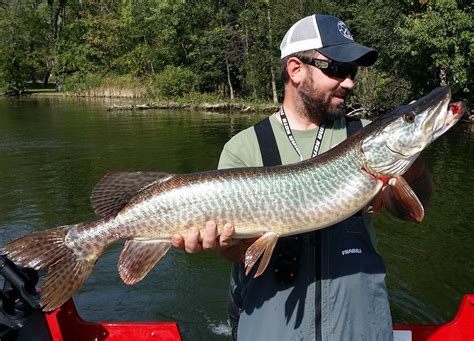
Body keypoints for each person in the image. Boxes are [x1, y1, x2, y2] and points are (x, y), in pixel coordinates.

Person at [172, 14, 432, 340]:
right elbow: (239, 252)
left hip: (359, 327)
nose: (349, 81)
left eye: (351, 71)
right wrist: (220, 246)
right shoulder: (244, 148)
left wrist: (413, 158)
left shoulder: (367, 136)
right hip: (274, 329)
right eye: (336, 69)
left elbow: (408, 210)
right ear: (296, 70)